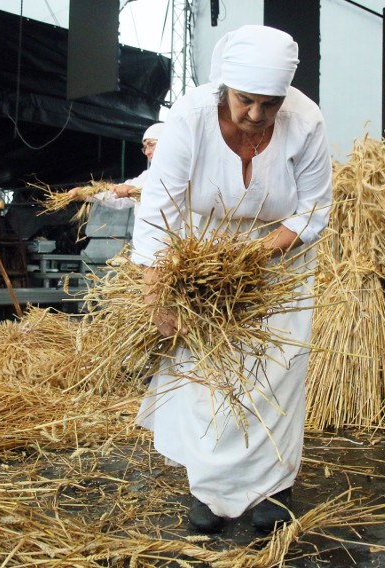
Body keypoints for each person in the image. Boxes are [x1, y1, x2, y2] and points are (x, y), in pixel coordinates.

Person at [131, 25, 332, 533]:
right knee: (207, 373)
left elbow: (312, 211)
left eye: (271, 103)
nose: (258, 115)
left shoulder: (306, 120)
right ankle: (209, 490)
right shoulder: (191, 117)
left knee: (275, 370)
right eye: (246, 101)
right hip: (201, 257)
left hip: (280, 261)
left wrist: (251, 256)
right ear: (225, 87)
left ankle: (271, 489)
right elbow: (159, 208)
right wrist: (159, 296)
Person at [67, 122, 164, 209]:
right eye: (145, 148)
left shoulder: (176, 173)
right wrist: (85, 194)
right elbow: (118, 197)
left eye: (150, 144)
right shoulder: (148, 175)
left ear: (166, 142)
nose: (147, 152)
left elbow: (166, 197)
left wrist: (138, 192)